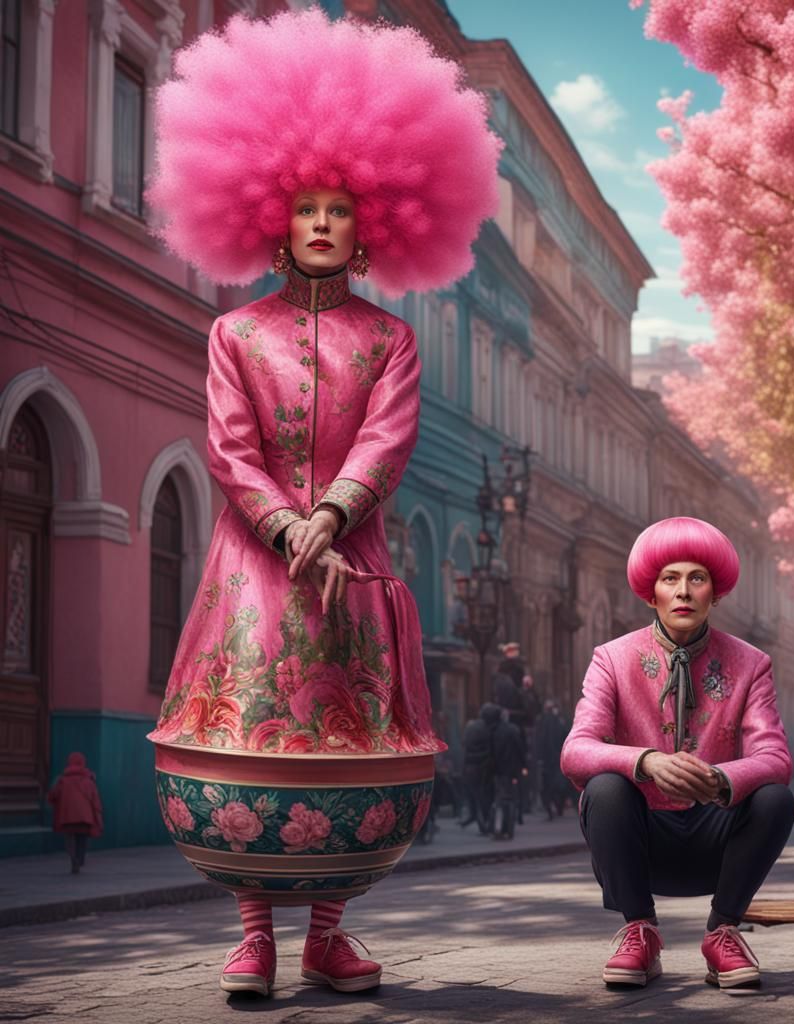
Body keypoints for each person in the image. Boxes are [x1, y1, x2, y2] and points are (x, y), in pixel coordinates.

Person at [145, 9, 499, 999]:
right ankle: (254, 934)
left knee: (357, 745)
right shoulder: (234, 336)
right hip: (248, 579)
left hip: (357, 569)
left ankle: (328, 934)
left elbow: (388, 439)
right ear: (268, 214)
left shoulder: (389, 340)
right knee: (251, 739)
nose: (320, 223)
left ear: (371, 224)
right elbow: (229, 446)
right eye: (304, 207)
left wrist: (332, 515)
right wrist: (282, 523)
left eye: (339, 210)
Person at [561, 517, 794, 992]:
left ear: (715, 593)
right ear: (651, 594)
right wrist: (645, 762)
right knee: (604, 787)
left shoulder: (751, 663)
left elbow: (775, 757)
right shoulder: (612, 658)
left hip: (717, 836)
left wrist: (721, 779)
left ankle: (723, 931)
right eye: (670, 578)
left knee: (775, 798)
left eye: (697, 578)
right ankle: (639, 930)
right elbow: (575, 751)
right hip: (641, 839)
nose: (683, 591)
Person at [47, 752, 103, 874]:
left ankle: (74, 859)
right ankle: (80, 859)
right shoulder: (89, 781)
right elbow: (95, 800)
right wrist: (97, 815)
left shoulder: (62, 780)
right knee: (82, 839)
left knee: (70, 839)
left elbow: (53, 796)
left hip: (67, 816)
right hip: (85, 818)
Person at [491, 707, 527, 839]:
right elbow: (520, 749)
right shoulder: (513, 730)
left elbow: (493, 752)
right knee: (511, 798)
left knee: (501, 799)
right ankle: (509, 827)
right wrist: (523, 765)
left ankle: (500, 828)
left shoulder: (496, 731)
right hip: (512, 770)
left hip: (500, 770)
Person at [460, 708, 495, 834]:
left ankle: (477, 820)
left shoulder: (471, 727)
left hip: (469, 767)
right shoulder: (487, 729)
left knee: (474, 796)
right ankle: (483, 824)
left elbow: (464, 747)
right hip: (480, 768)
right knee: (482, 798)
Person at [535, 700, 570, 819]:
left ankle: (551, 808)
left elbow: (539, 740)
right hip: (557, 757)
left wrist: (539, 757)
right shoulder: (559, 721)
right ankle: (557, 806)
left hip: (549, 759)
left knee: (548, 785)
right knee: (557, 784)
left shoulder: (543, 721)